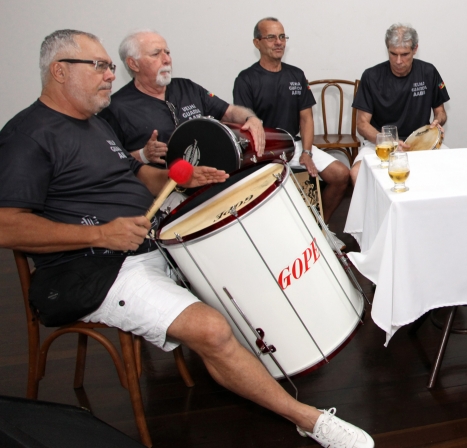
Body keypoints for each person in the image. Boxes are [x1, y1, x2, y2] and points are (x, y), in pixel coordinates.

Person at [0, 30, 372, 448]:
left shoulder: (94, 124)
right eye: (100, 66)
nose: (110, 75)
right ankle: (309, 419)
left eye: (109, 66)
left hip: (149, 240)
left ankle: (276, 352)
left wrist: (183, 178)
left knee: (245, 270)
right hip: (96, 268)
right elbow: (6, 225)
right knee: (211, 329)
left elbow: (138, 174)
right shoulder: (28, 136)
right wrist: (101, 233)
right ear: (60, 71)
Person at [233, 18, 351, 219]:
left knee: (341, 174)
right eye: (271, 37)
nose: (278, 42)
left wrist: (306, 152)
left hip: (293, 145)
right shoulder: (246, 79)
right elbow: (244, 127)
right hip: (263, 150)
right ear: (257, 43)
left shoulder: (296, 75)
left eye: (282, 37)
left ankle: (320, 226)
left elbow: (306, 119)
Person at [100, 30, 265, 167]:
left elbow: (229, 112)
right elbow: (107, 163)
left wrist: (250, 118)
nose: (166, 59)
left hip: (210, 178)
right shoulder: (115, 108)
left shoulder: (187, 87)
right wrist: (143, 155)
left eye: (167, 52)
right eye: (156, 54)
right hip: (162, 189)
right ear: (133, 64)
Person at [351, 24, 449, 183]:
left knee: (452, 167)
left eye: (404, 54)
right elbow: (362, 124)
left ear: (415, 49)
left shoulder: (428, 72)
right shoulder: (371, 76)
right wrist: (388, 142)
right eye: (393, 54)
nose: (398, 61)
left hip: (420, 141)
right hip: (381, 143)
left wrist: (438, 121)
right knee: (356, 173)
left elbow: (441, 112)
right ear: (387, 49)